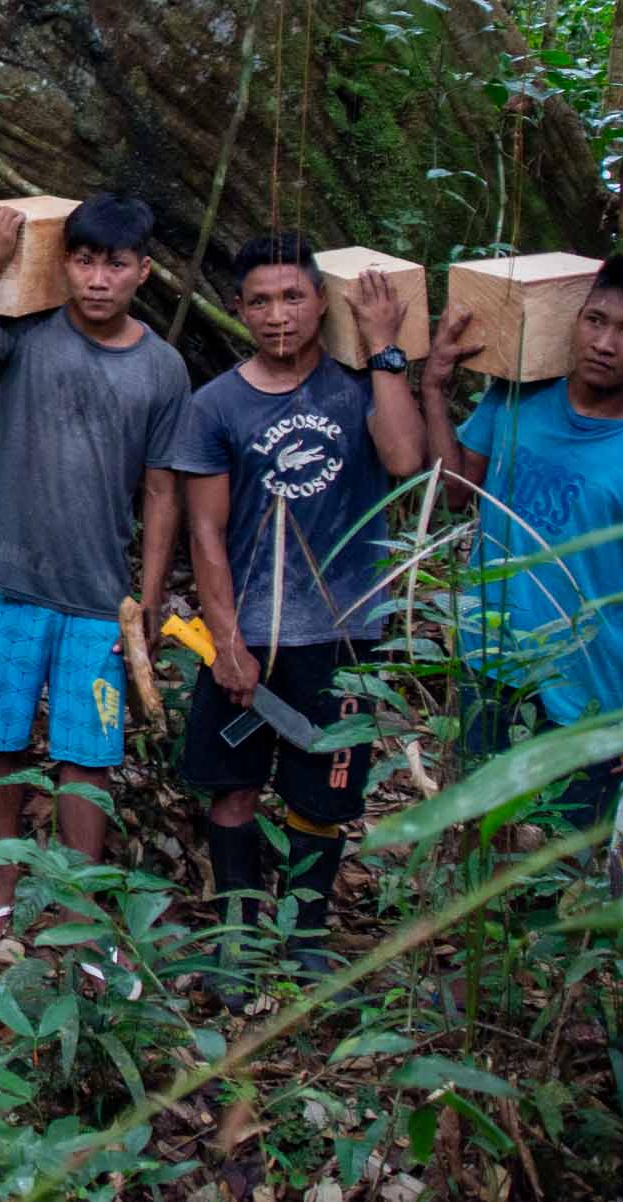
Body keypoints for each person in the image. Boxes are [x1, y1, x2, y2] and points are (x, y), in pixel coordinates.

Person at [0, 195, 189, 953]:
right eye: (84, 261)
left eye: (116, 264)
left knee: (88, 753)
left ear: (144, 272)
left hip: (99, 598)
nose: (99, 279)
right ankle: (4, 876)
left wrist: (149, 596)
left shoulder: (163, 367)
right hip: (5, 580)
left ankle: (78, 906)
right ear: (63, 263)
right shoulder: (28, 331)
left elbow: (162, 489)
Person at [169, 233, 424, 992]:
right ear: (238, 309)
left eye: (293, 297)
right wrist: (226, 641)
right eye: (260, 301)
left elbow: (405, 460)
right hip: (251, 633)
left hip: (343, 634)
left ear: (321, 302)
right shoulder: (215, 405)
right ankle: (238, 935)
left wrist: (384, 347)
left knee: (325, 792)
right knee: (234, 786)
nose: (277, 315)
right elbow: (205, 531)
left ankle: (306, 931)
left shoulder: (359, 387)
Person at [422, 252, 623, 828]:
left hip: (586, 684)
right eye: (594, 320)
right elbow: (455, 492)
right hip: (487, 657)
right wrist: (433, 385)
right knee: (474, 831)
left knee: (562, 848)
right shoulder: (517, 397)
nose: (603, 343)